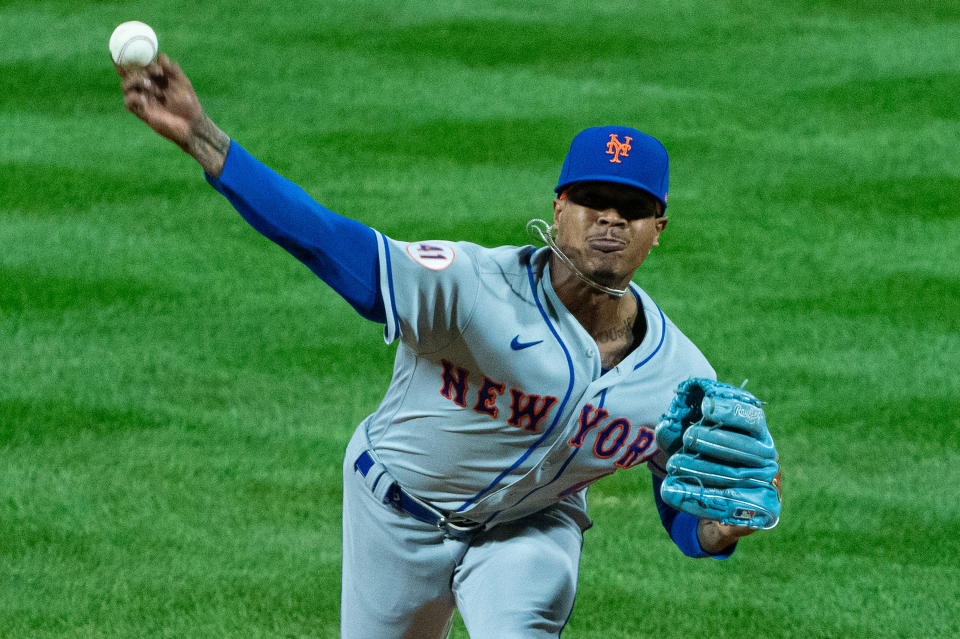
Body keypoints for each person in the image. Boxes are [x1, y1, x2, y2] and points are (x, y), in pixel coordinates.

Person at [119, 55, 764, 639]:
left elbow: (684, 504)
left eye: (633, 207)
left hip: (530, 529)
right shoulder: (470, 287)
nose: (610, 220)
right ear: (560, 206)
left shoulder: (681, 376)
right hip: (393, 511)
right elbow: (333, 244)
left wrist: (715, 530)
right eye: (593, 199)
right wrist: (207, 140)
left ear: (659, 228)